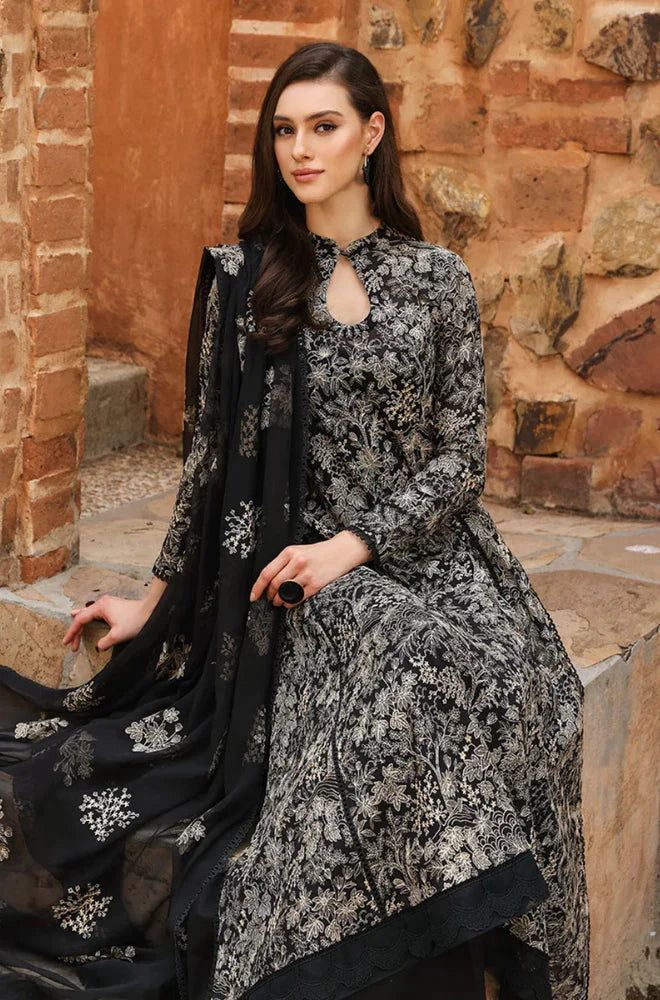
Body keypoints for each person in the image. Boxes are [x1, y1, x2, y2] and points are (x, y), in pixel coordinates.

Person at [0, 41, 589, 1000]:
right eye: (284, 129)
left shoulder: (436, 277)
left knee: (535, 694)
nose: (301, 150)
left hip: (428, 554)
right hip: (296, 567)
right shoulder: (247, 280)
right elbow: (205, 464)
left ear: (373, 134)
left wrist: (358, 545)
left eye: (324, 126)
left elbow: (459, 461)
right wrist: (156, 603)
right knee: (415, 679)